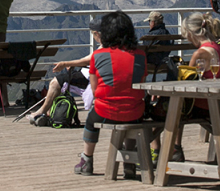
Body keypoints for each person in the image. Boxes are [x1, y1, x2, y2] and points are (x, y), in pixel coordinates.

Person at [74, 11, 147, 177]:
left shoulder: (98, 55)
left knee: (91, 122)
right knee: (133, 121)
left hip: (105, 111)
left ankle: (87, 160)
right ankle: (129, 162)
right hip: (135, 111)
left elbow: (94, 90)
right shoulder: (141, 56)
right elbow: (141, 83)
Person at [167, 12, 220, 161]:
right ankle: (174, 149)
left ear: (191, 33)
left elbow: (187, 84)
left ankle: (170, 150)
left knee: (168, 107)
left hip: (204, 104)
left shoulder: (200, 54)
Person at [26, 16, 100, 125]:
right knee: (61, 80)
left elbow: (88, 60)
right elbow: (87, 60)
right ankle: (49, 113)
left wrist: (65, 64)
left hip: (91, 78)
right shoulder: (112, 45)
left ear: (97, 33)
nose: (93, 37)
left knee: (56, 82)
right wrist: (71, 64)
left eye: (93, 34)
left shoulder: (105, 48)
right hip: (91, 74)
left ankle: (41, 112)